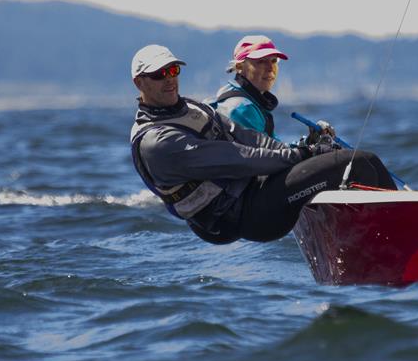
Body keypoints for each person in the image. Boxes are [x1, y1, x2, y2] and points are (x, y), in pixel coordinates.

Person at [129, 44, 396, 244]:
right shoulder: (158, 141)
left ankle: (375, 235)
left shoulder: (190, 108)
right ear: (139, 83)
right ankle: (396, 236)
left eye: (173, 70)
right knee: (355, 163)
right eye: (159, 74)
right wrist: (302, 155)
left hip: (253, 192)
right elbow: (237, 158)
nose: (169, 79)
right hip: (241, 217)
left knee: (363, 160)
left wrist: (301, 153)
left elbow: (245, 136)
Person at [211, 34, 334, 143]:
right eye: (261, 61)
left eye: (274, 60)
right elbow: (267, 158)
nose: (270, 68)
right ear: (239, 67)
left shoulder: (236, 96)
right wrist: (311, 150)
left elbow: (273, 150)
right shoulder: (242, 109)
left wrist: (310, 142)